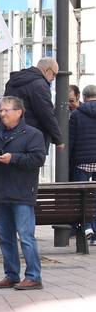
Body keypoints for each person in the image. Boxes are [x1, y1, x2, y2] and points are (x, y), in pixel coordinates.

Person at [0, 96, 48, 290]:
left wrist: (13, 158)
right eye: (1, 110)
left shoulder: (33, 134)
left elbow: (37, 159)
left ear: (19, 112)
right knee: (5, 237)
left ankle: (33, 276)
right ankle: (11, 274)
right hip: (2, 191)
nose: (2, 113)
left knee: (26, 237)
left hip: (22, 192)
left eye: (6, 110)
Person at [2, 56, 62, 148]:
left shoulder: (13, 81)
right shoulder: (39, 85)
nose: (54, 78)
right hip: (31, 139)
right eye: (54, 74)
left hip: (9, 135)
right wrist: (58, 139)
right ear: (47, 70)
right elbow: (46, 114)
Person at [70, 85, 96, 241]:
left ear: (84, 97)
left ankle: (86, 227)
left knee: (83, 197)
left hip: (82, 162)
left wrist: (70, 160)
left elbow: (71, 140)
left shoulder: (77, 114)